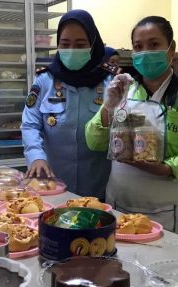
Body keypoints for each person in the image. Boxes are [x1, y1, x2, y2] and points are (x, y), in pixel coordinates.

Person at [85, 16, 178, 240]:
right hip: (119, 197)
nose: (146, 52)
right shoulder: (123, 91)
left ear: (171, 49)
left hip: (168, 201)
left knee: (168, 269)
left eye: (154, 44)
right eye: (138, 47)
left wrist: (169, 167)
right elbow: (94, 141)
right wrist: (108, 107)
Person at [21, 9, 113, 200]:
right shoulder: (44, 80)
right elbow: (30, 124)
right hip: (53, 186)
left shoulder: (110, 83)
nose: (72, 50)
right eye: (65, 44)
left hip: (99, 188)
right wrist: (36, 156)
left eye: (80, 44)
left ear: (93, 45)